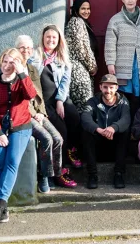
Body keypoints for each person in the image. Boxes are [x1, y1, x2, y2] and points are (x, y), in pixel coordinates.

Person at [15, 35, 76, 193]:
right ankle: (43, 177)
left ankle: (53, 173)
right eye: (22, 48)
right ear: (17, 49)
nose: (26, 51)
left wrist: (40, 112)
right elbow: (18, 97)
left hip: (37, 113)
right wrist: (33, 113)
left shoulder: (33, 69)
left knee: (58, 139)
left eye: (29, 48)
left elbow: (38, 94)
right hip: (23, 115)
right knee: (47, 138)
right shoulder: (13, 68)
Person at [0, 48, 36, 224]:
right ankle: (2, 206)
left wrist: (21, 72)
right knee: (0, 164)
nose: (7, 66)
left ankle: (1, 203)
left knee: (12, 162)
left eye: (12, 62)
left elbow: (31, 95)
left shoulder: (21, 81)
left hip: (20, 126)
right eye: (5, 62)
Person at [31, 25, 82, 171]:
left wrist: (60, 101)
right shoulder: (35, 57)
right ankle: (62, 167)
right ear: (42, 38)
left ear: (59, 39)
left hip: (59, 98)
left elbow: (65, 82)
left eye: (54, 37)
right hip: (44, 103)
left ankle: (71, 150)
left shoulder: (63, 59)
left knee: (74, 116)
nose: (51, 40)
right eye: (48, 37)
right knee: (61, 131)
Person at [105, 0, 140, 119]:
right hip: (123, 63)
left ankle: (139, 125)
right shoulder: (115, 20)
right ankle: (125, 126)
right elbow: (110, 43)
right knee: (124, 96)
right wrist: (110, 62)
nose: (130, 0)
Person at [81, 74, 131, 189]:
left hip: (115, 148)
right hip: (98, 147)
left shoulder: (123, 102)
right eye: (105, 87)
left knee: (124, 131)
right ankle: (92, 175)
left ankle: (118, 174)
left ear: (116, 88)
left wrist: (113, 128)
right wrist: (98, 129)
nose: (108, 91)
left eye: (111, 87)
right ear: (100, 87)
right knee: (87, 132)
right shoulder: (93, 101)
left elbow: (126, 119)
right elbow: (85, 117)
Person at [65, 0, 98, 113]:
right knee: (85, 107)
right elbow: (80, 48)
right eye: (83, 8)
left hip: (82, 69)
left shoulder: (83, 23)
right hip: (79, 71)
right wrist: (91, 66)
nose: (86, 11)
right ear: (76, 9)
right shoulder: (76, 21)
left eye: (88, 9)